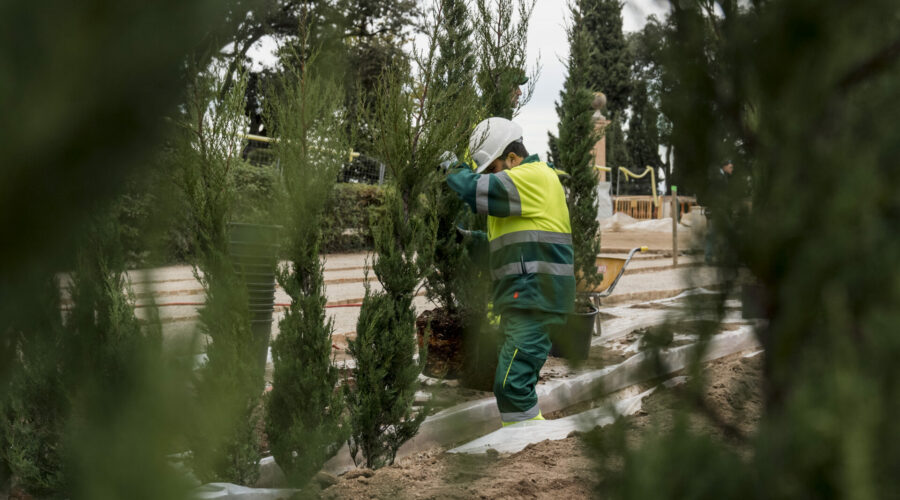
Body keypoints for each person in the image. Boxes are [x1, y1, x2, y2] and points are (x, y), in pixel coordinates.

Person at [444, 117, 575, 426]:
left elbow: (474, 188)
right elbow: (503, 249)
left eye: (492, 169)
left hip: (536, 298)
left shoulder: (533, 176)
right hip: (526, 297)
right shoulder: (521, 193)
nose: (490, 178)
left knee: (512, 384)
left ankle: (530, 441)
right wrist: (465, 240)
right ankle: (523, 437)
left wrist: (452, 168)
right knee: (510, 382)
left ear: (513, 158)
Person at [704, 159, 734, 264]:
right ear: (724, 167)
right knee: (727, 233)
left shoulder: (722, 177)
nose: (732, 169)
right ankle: (716, 258)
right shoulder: (719, 178)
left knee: (715, 234)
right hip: (719, 211)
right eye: (730, 167)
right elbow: (716, 195)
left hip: (719, 210)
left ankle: (713, 257)